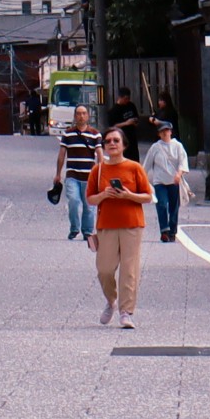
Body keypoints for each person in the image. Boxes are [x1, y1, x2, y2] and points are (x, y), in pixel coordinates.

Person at [86, 126, 154, 329]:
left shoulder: (134, 167)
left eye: (116, 140)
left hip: (132, 224)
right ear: (104, 146)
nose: (112, 144)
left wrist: (128, 195)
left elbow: (148, 196)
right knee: (104, 269)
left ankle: (126, 312)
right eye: (108, 141)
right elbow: (90, 199)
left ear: (124, 144)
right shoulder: (98, 171)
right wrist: (104, 195)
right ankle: (111, 301)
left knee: (129, 269)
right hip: (106, 225)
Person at [54, 105, 101, 242]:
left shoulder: (95, 134)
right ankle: (74, 228)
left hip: (89, 176)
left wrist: (100, 172)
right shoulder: (68, 134)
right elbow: (62, 154)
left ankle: (87, 231)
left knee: (89, 206)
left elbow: (99, 154)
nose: (81, 116)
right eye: (79, 113)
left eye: (84, 113)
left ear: (88, 116)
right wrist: (58, 173)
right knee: (73, 201)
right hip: (72, 176)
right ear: (75, 116)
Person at [143, 118, 189, 242]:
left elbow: (182, 161)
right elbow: (146, 165)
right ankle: (164, 230)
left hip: (174, 180)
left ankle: (172, 231)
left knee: (174, 207)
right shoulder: (155, 147)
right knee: (162, 204)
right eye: (162, 131)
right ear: (159, 134)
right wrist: (143, 179)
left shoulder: (178, 146)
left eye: (167, 130)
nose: (165, 133)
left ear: (171, 132)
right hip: (160, 181)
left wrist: (179, 174)